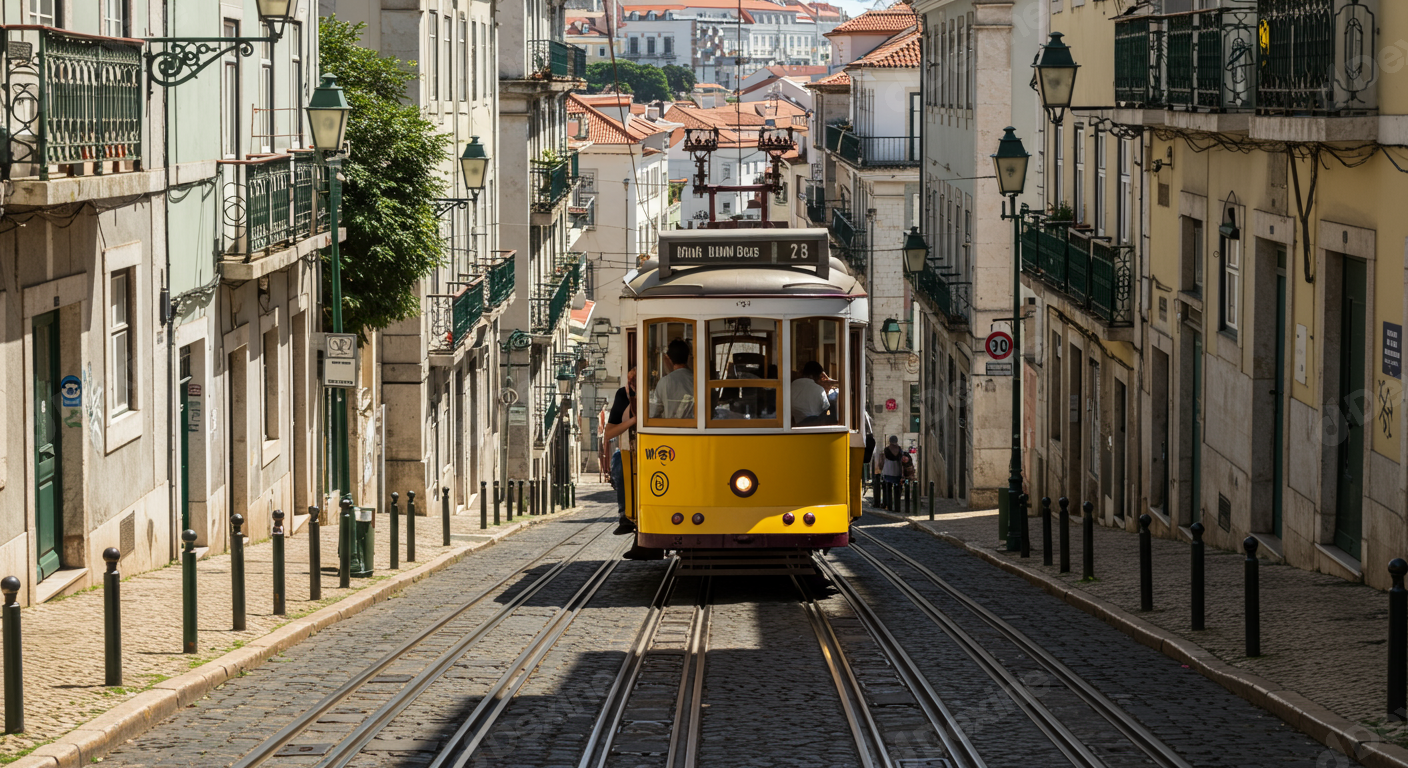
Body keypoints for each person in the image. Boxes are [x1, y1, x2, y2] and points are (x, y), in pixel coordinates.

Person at [604, 369, 637, 535]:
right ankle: (625, 514)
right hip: (632, 449)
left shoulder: (661, 390)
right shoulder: (624, 395)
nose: (632, 383)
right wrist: (634, 420)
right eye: (631, 380)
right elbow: (608, 433)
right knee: (618, 461)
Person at [650, 338, 695, 419]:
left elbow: (654, 414)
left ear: (669, 359)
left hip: (670, 429)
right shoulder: (697, 380)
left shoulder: (663, 382)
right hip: (694, 429)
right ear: (688, 357)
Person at [874, 435, 905, 500]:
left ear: (890, 441)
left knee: (887, 489)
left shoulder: (886, 450)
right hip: (897, 472)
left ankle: (887, 503)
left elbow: (881, 463)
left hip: (887, 471)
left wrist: (880, 469)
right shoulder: (900, 450)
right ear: (896, 441)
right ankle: (897, 502)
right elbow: (902, 462)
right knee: (897, 489)